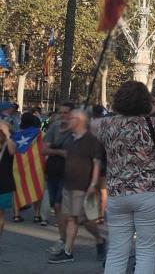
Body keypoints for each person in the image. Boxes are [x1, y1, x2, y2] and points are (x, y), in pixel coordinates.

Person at [98, 81, 155, 274]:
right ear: (146, 102)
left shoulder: (105, 125)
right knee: (146, 251)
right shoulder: (152, 125)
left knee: (117, 251)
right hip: (148, 191)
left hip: (116, 193)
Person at [48, 110, 106, 264]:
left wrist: (93, 184)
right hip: (68, 185)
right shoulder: (70, 139)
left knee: (79, 219)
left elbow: (97, 164)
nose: (69, 120)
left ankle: (92, 243)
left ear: (80, 120)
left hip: (83, 186)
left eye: (72, 118)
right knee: (74, 218)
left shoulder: (91, 141)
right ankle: (73, 249)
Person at [42, 102, 74, 252]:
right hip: (53, 170)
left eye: (66, 112)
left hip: (69, 173)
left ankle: (64, 241)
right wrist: (60, 152)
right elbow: (44, 149)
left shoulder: (77, 128)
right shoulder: (55, 127)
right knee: (56, 206)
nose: (63, 115)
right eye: (61, 112)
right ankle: (64, 239)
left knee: (60, 206)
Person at [0, 120, 17, 252]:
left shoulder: (9, 143)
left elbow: (12, 152)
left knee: (0, 214)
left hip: (4, 183)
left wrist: (7, 134)